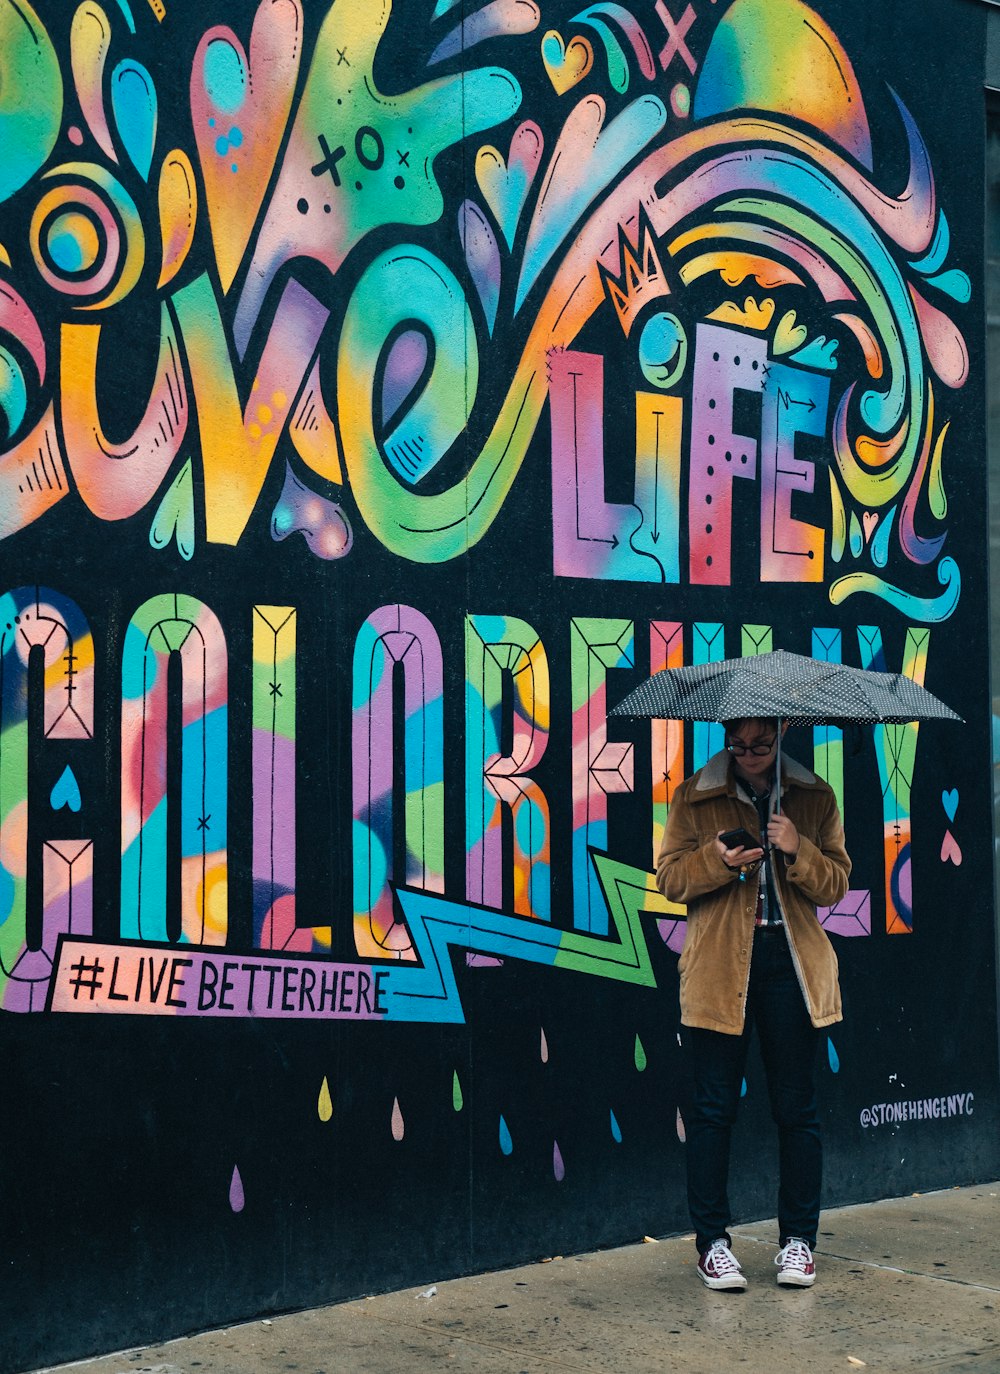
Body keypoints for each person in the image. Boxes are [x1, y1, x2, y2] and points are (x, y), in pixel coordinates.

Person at [656, 717, 851, 1290]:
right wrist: (717, 860)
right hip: (720, 968)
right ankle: (712, 1246)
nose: (748, 755)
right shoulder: (697, 796)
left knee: (798, 1110)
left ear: (782, 732)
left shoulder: (813, 796)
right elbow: (668, 878)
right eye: (737, 745)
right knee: (714, 1110)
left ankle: (798, 1244)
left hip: (792, 968)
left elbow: (837, 882)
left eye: (760, 745)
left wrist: (798, 849)